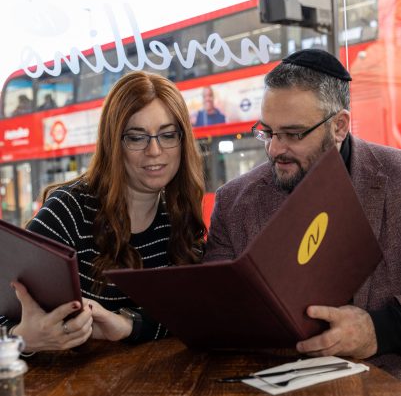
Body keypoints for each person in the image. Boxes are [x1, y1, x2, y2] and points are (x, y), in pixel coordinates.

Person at [204, 49, 401, 378]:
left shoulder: (397, 180)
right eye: (268, 131)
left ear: (339, 127)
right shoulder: (233, 202)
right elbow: (216, 309)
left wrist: (378, 331)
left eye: (294, 134)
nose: (274, 149)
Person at [0, 71, 206, 353]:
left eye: (168, 135)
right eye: (136, 138)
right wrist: (21, 340)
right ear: (112, 144)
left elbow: (197, 312)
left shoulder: (178, 219)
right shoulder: (67, 212)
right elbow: (7, 312)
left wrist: (127, 324)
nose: (155, 150)